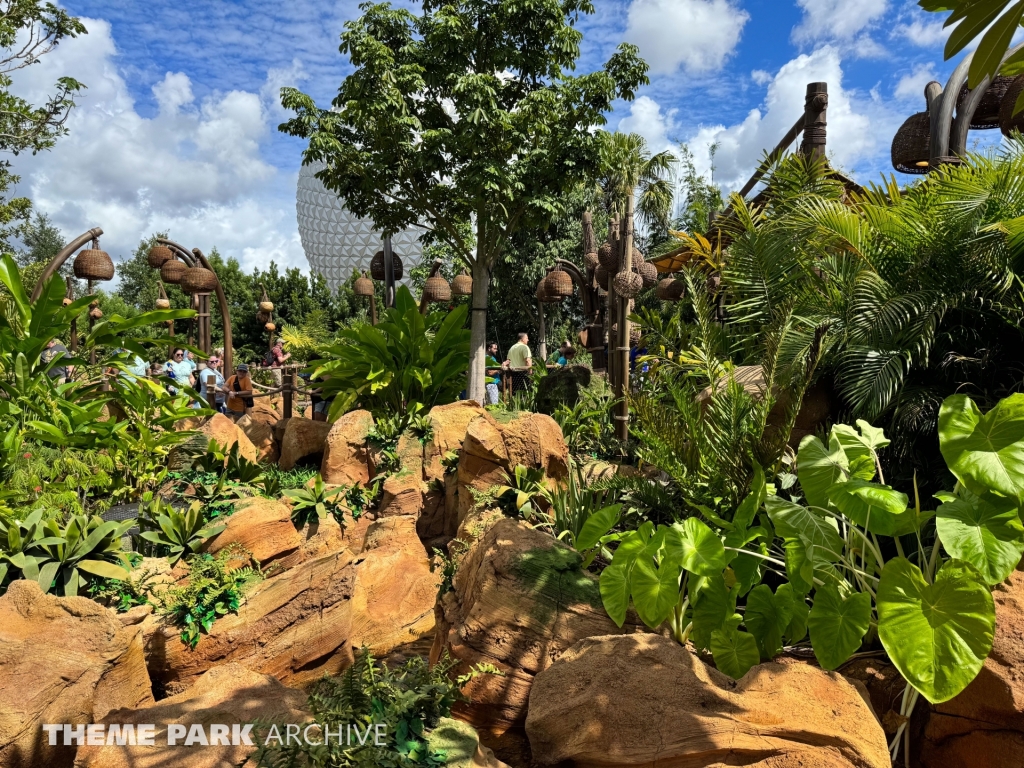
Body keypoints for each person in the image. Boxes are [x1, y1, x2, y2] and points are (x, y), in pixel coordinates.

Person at [484, 341, 502, 406]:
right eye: (494, 348)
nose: (496, 350)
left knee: (491, 405)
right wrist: (499, 368)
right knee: (494, 405)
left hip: (494, 384)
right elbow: (490, 373)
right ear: (489, 348)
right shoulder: (487, 358)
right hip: (491, 384)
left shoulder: (492, 358)